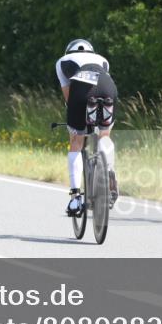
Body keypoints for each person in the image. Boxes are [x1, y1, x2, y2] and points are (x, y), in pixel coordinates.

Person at [56, 39, 118, 216]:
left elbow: (69, 98)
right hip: (108, 88)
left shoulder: (62, 62)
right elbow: (100, 83)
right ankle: (109, 172)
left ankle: (75, 198)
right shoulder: (103, 59)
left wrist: (75, 125)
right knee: (104, 134)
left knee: (76, 140)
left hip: (81, 90)